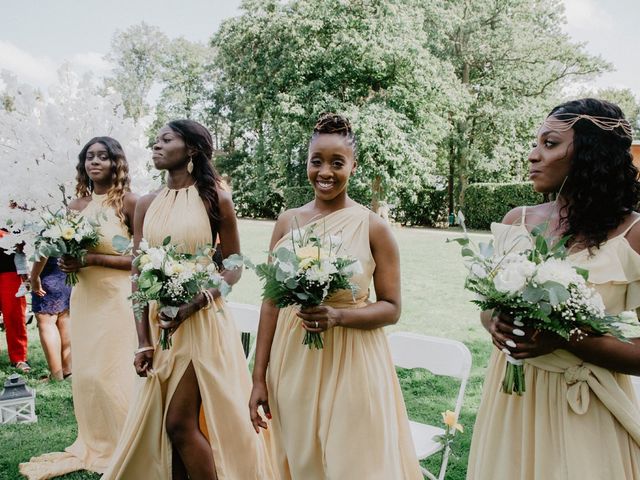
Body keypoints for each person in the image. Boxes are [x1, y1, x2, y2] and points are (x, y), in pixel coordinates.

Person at [467, 98, 640, 479]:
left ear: (591, 154)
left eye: (550, 144)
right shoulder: (518, 222)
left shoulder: (634, 234)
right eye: (536, 143)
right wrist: (493, 321)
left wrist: (566, 340)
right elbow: (488, 305)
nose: (533, 155)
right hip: (512, 400)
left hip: (584, 408)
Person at [249, 113, 422, 479]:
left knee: (353, 462)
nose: (325, 171)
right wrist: (259, 377)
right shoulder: (287, 222)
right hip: (292, 361)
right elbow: (270, 302)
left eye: (337, 163)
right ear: (307, 163)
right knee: (301, 459)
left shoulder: (373, 226)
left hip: (354, 360)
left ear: (353, 166)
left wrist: (338, 316)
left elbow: (392, 308)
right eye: (317, 161)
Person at [102, 119, 273, 480]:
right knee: (171, 429)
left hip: (202, 322)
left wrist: (196, 302)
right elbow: (137, 272)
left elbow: (234, 267)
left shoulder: (215, 200)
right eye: (155, 140)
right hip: (159, 324)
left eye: (167, 139)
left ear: (192, 150)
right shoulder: (145, 204)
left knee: (179, 422)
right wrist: (142, 342)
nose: (156, 145)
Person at [20, 136, 138, 478]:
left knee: (112, 372)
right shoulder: (75, 207)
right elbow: (49, 243)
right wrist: (37, 275)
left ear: (117, 162)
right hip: (85, 299)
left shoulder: (130, 204)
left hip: (116, 299)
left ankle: (127, 441)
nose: (95, 162)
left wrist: (89, 258)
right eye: (90, 157)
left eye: (103, 156)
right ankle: (97, 438)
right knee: (87, 374)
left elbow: (140, 260)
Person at [30, 257, 72, 381]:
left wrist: (34, 276)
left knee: (46, 322)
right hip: (64, 274)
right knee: (64, 318)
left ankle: (56, 375)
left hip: (47, 274)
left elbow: (44, 250)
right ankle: (68, 371)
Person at [0, 230, 29, 372]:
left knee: (14, 315)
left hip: (9, 270)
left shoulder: (10, 211)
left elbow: (22, 241)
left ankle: (19, 358)